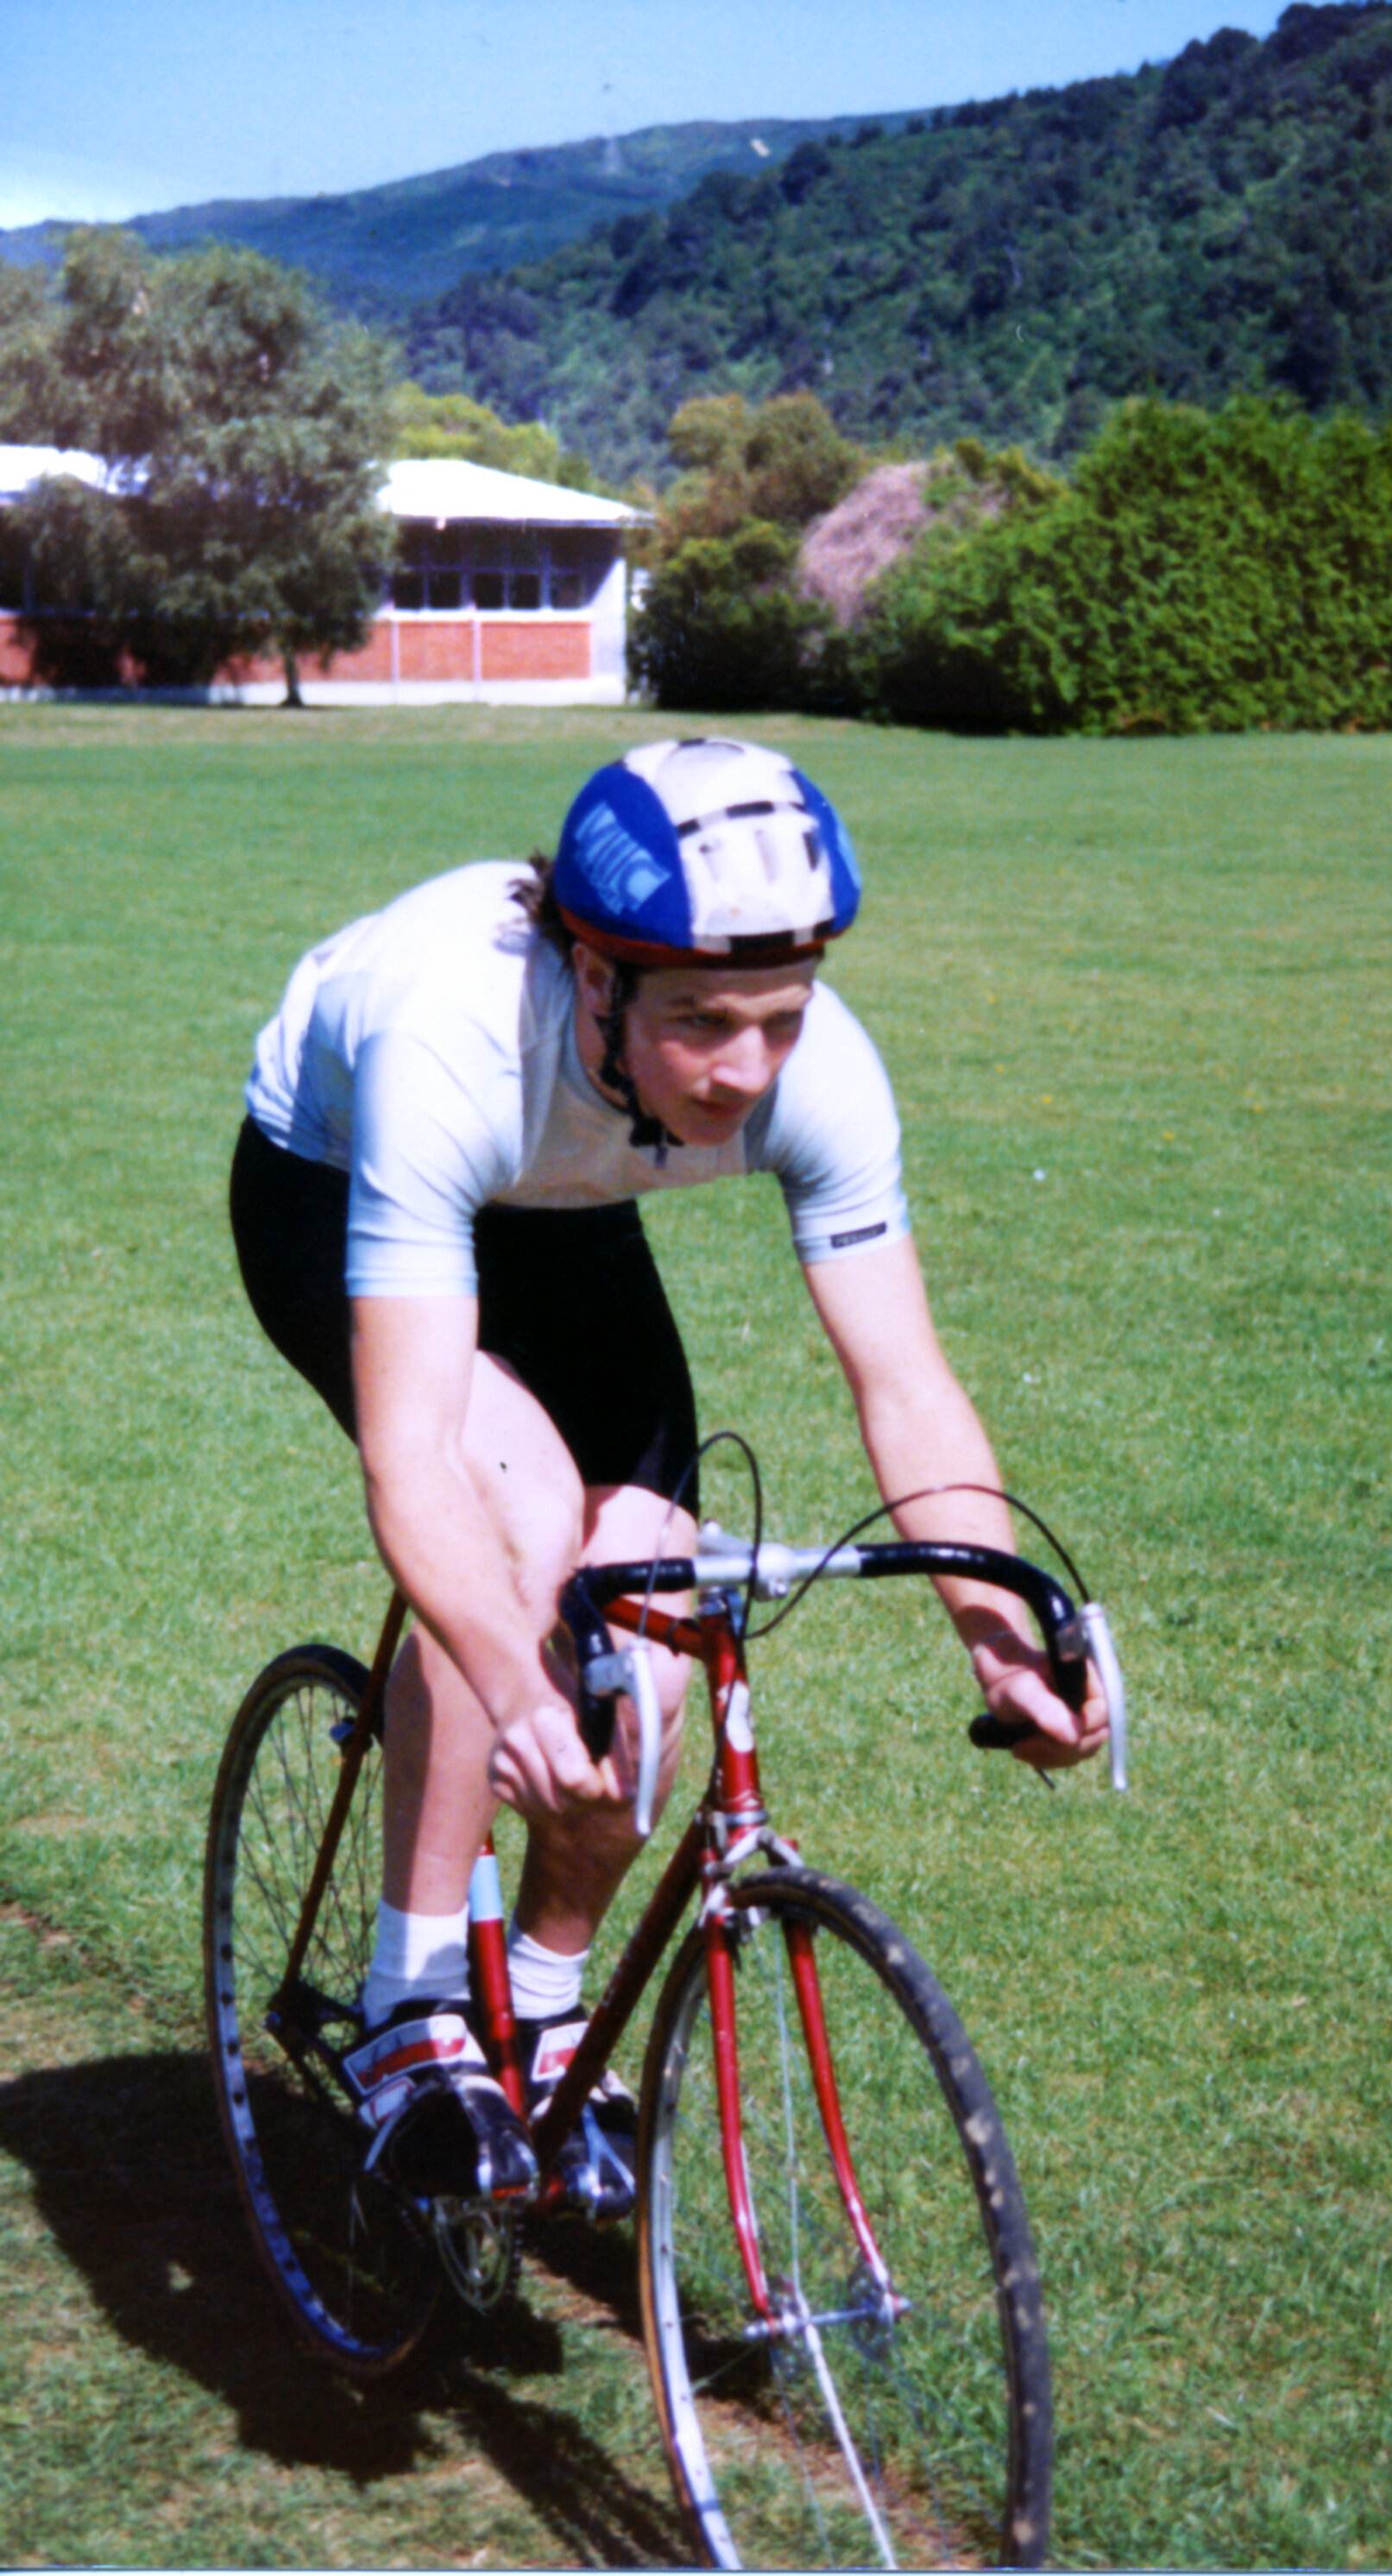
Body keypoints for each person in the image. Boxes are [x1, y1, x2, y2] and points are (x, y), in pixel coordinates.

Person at [231, 735, 1108, 2206]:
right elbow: (413, 1462)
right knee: (507, 1525)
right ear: (593, 976)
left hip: (567, 1200)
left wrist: (997, 1638)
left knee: (648, 1629)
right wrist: (513, 1685)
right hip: (343, 1180)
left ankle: (554, 2013)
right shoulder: (448, 1027)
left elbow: (904, 1383)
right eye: (702, 1019)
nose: (750, 1066)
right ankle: (410, 2008)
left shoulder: (809, 1068)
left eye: (783, 1013)